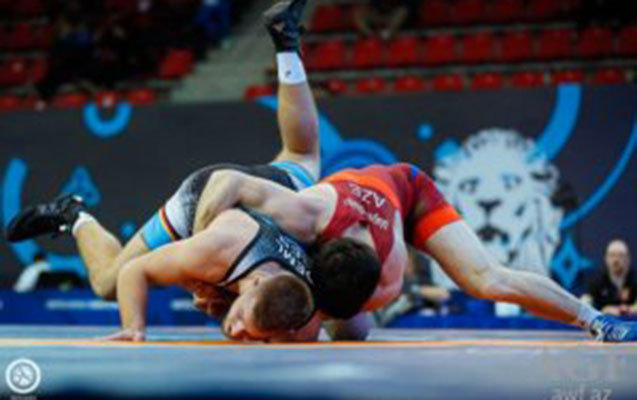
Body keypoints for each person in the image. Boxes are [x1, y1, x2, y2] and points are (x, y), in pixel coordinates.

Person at [5, 0, 381, 342]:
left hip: (269, 206)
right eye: (243, 322)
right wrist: (175, 295)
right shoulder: (218, 252)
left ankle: (287, 46)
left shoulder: (309, 305)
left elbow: (355, 327)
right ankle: (73, 214)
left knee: (302, 155)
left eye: (257, 335)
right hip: (209, 199)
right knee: (108, 283)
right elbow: (218, 191)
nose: (237, 331)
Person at [193, 163, 637, 342]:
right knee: (349, 337)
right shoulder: (307, 215)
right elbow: (225, 181)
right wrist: (203, 268)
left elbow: (324, 314)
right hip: (348, 206)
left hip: (410, 192)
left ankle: (595, 320)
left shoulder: (389, 278)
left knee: (486, 279)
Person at [582, 239, 637, 316]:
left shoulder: (635, 279)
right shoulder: (597, 282)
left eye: (620, 255)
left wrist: (624, 310)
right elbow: (585, 301)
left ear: (628, 259)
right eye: (612, 255)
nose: (616, 260)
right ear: (606, 259)